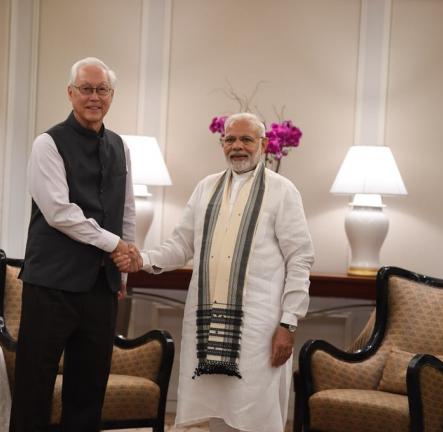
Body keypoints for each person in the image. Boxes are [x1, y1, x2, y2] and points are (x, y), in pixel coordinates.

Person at [115, 112, 315, 431]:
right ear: (222, 144)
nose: (238, 146)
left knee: (256, 412)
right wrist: (144, 259)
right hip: (206, 323)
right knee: (218, 413)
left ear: (263, 144)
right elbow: (181, 245)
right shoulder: (206, 188)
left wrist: (288, 324)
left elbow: (300, 260)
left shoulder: (282, 191)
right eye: (230, 139)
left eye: (246, 139)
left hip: (260, 328)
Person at [11, 57, 136, 432]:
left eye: (101, 90)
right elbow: (59, 212)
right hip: (51, 286)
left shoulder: (121, 147)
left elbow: (125, 209)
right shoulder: (47, 143)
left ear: (111, 96)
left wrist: (123, 270)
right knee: (35, 386)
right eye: (86, 88)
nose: (94, 97)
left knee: (88, 390)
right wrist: (114, 243)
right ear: (71, 93)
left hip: (101, 288)